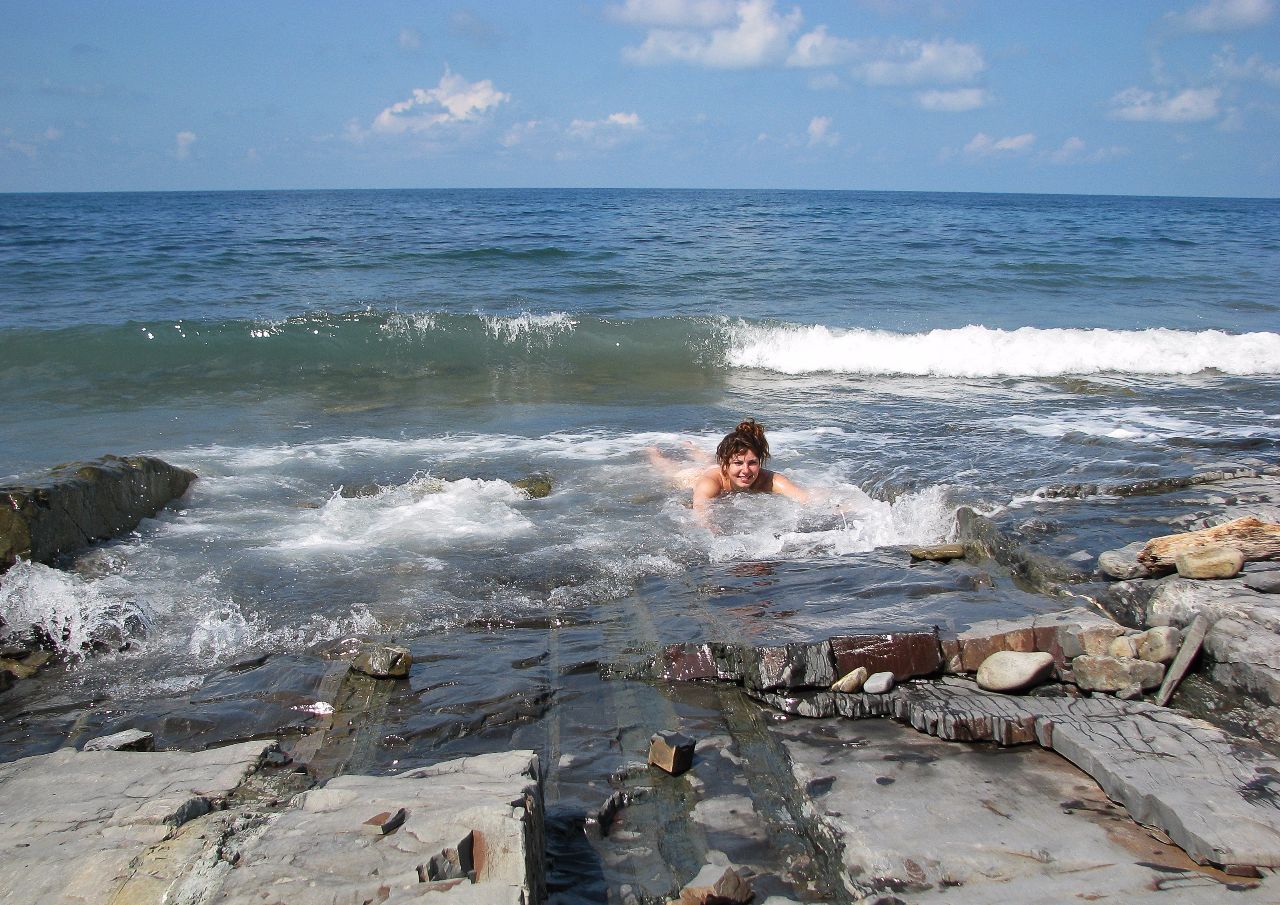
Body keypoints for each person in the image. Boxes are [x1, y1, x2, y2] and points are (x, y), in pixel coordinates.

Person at [648, 419, 808, 522]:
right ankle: (652, 450)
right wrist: (708, 527)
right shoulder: (710, 483)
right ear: (725, 464)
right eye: (738, 463)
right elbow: (701, 508)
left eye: (752, 463)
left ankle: (691, 447)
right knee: (668, 468)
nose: (746, 470)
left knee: (709, 460)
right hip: (693, 476)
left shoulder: (770, 479)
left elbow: (804, 496)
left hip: (719, 468)